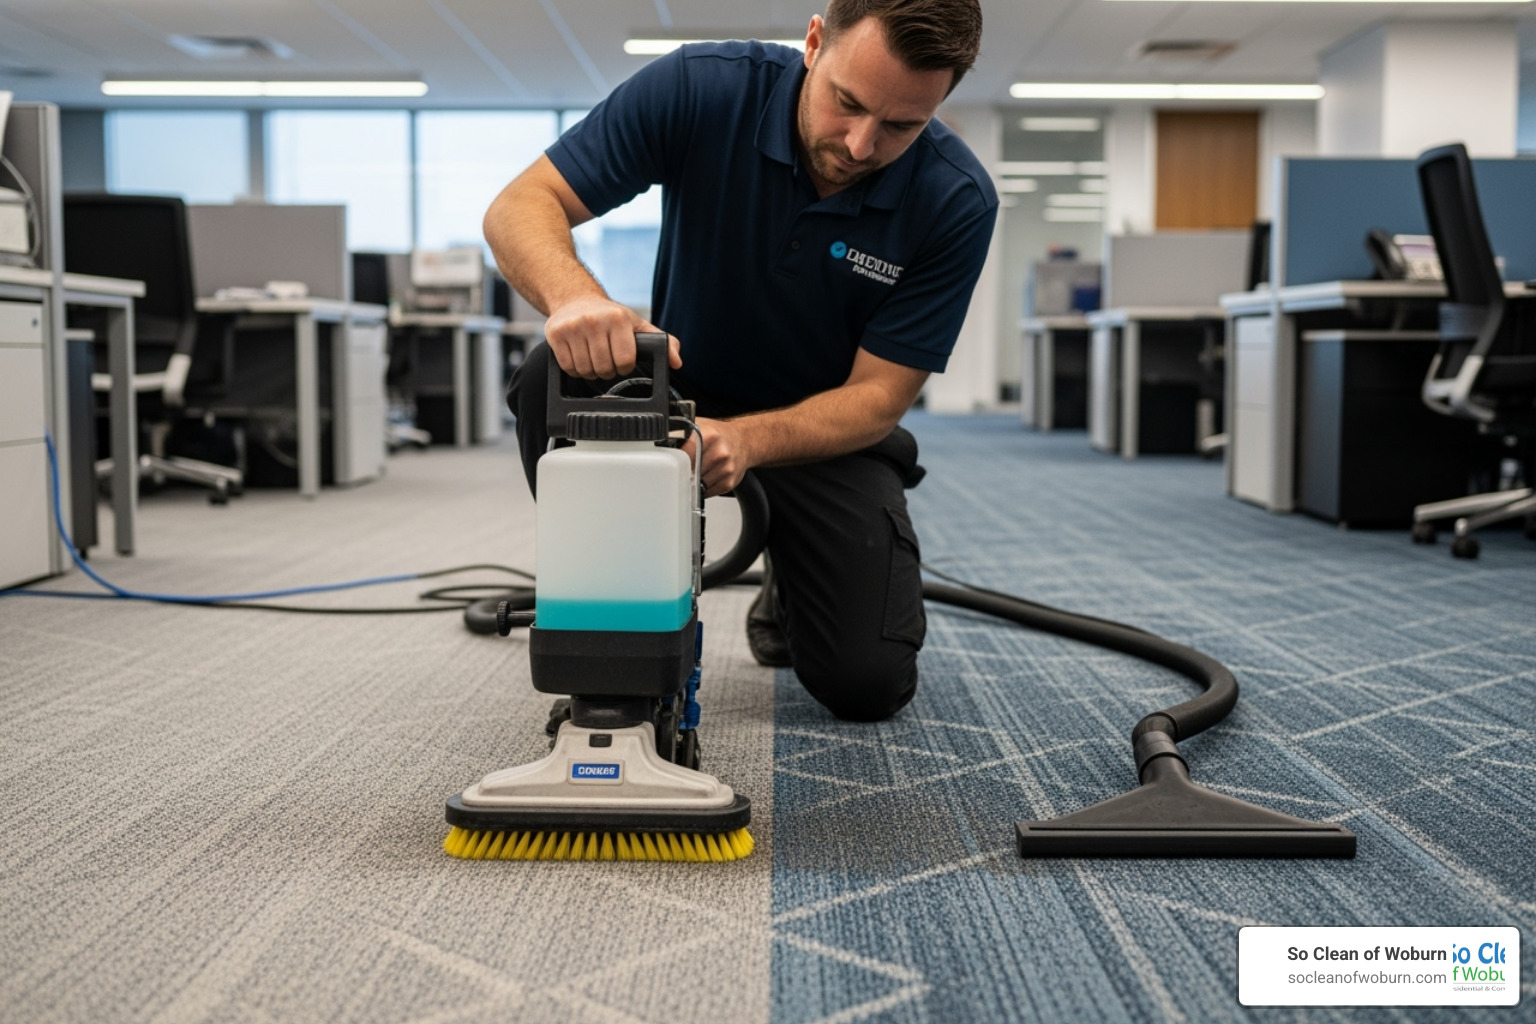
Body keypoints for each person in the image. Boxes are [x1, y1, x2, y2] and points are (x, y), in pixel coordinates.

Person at [485, 0, 997, 722]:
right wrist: (573, 298)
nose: (858, 144)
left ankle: (785, 580)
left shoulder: (955, 199)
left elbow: (879, 398)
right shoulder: (703, 87)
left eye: (900, 126)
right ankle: (612, 593)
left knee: (866, 683)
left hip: (817, 430)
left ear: (942, 99)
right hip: (675, 386)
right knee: (553, 374)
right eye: (846, 103)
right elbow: (520, 204)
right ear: (815, 42)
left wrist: (749, 441)